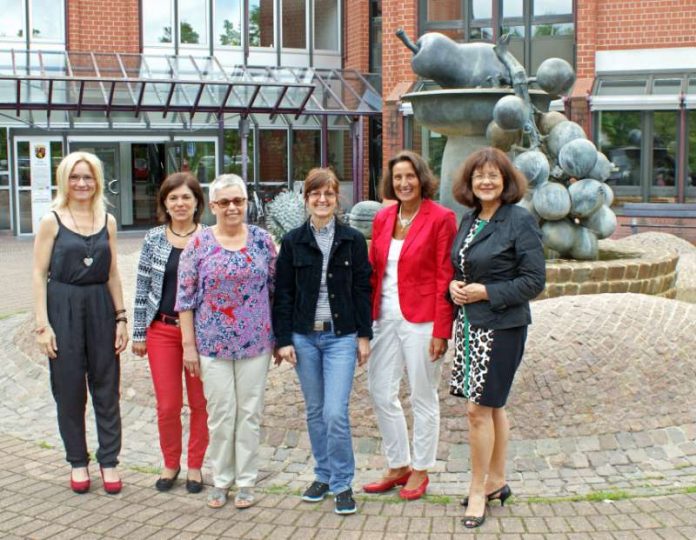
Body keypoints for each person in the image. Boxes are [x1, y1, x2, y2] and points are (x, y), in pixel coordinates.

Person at [448, 147, 545, 528]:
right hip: (471, 325)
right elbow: (462, 268)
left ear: (506, 182)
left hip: (503, 327)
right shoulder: (468, 220)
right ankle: (497, 480)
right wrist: (454, 287)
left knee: (477, 411)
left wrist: (486, 292)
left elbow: (534, 281)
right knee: (493, 406)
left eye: (493, 175)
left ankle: (477, 490)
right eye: (478, 176)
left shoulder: (519, 221)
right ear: (469, 183)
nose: (485, 181)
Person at [273, 168, 372, 516]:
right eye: (315, 194)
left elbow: (363, 289)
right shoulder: (292, 241)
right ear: (306, 199)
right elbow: (282, 293)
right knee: (315, 411)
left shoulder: (352, 240)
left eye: (328, 193)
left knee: (334, 412)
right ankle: (324, 475)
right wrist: (283, 339)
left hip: (340, 336)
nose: (322, 199)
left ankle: (343, 482)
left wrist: (364, 335)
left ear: (336, 198)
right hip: (303, 337)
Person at [176, 174, 276, 510]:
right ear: (213, 206)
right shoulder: (199, 244)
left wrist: (279, 338)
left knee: (249, 414)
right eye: (224, 202)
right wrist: (188, 346)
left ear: (247, 203)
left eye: (238, 201)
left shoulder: (263, 241)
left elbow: (276, 292)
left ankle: (246, 482)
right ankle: (221, 480)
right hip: (212, 346)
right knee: (220, 415)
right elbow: (185, 299)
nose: (232, 207)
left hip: (255, 344)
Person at [32, 151, 127, 494]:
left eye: (88, 177)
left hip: (100, 305)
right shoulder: (51, 220)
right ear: (64, 181)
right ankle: (77, 460)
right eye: (75, 177)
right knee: (69, 388)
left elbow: (113, 272)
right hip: (64, 304)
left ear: (97, 180)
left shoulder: (108, 220)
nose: (82, 183)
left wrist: (121, 318)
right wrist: (43, 325)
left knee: (106, 387)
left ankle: (109, 461)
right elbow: (39, 273)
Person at [364, 150, 457, 501]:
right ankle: (398, 462)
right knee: (379, 389)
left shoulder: (441, 218)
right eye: (398, 177)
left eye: (410, 176)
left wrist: (441, 330)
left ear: (421, 178)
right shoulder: (384, 218)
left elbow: (444, 276)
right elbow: (376, 269)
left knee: (422, 394)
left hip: (423, 318)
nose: (404, 183)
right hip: (384, 315)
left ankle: (421, 467)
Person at [132, 172, 209, 494]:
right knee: (168, 404)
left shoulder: (209, 238)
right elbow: (143, 286)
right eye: (173, 197)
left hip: (202, 334)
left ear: (196, 203)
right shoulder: (153, 238)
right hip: (161, 330)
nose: (180, 203)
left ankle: (195, 466)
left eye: (186, 198)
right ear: (165, 202)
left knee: (200, 403)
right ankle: (170, 462)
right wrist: (138, 333)